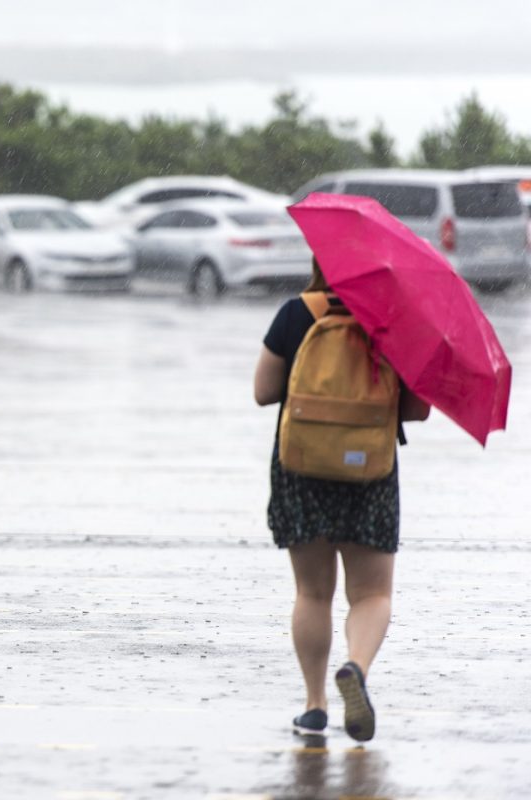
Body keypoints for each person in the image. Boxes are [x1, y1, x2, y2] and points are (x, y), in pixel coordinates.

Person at [254, 258, 430, 741]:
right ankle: (356, 667)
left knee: (313, 593)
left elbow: (264, 391)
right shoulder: (395, 322)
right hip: (369, 470)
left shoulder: (296, 314)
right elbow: (416, 410)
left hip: (301, 468)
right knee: (371, 594)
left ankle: (314, 706)